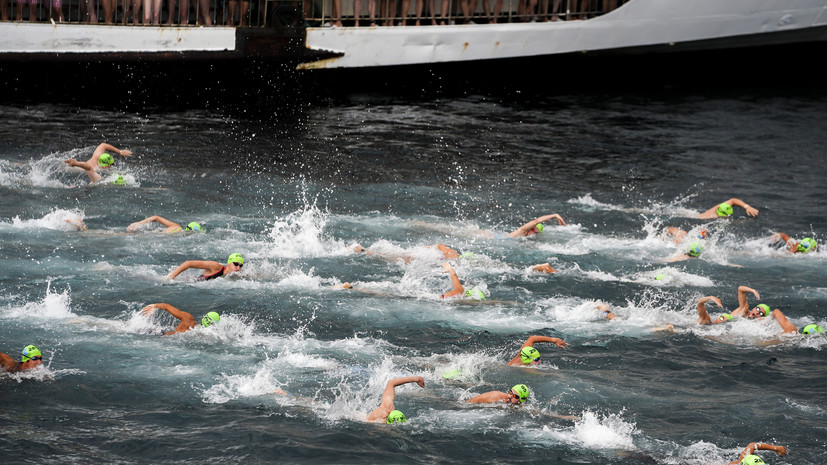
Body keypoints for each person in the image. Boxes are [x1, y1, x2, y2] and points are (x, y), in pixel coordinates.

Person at [64, 143, 132, 184]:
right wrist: (76, 163)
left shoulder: (98, 155)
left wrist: (120, 152)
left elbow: (103, 145)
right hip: (78, 168)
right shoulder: (93, 169)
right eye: (111, 165)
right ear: (104, 166)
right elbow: (87, 167)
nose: (113, 165)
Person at [141, 303, 220, 335]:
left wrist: (155, 306)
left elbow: (166, 306)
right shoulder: (205, 335)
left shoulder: (188, 320)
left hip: (159, 335)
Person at [167, 253, 244, 280]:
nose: (238, 267)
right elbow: (188, 263)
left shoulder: (233, 275)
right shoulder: (216, 266)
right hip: (189, 282)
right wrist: (171, 277)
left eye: (241, 266)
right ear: (229, 263)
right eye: (236, 264)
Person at [127, 215, 202, 233]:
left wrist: (139, 223)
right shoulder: (178, 229)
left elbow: (156, 217)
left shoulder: (176, 226)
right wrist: (139, 223)